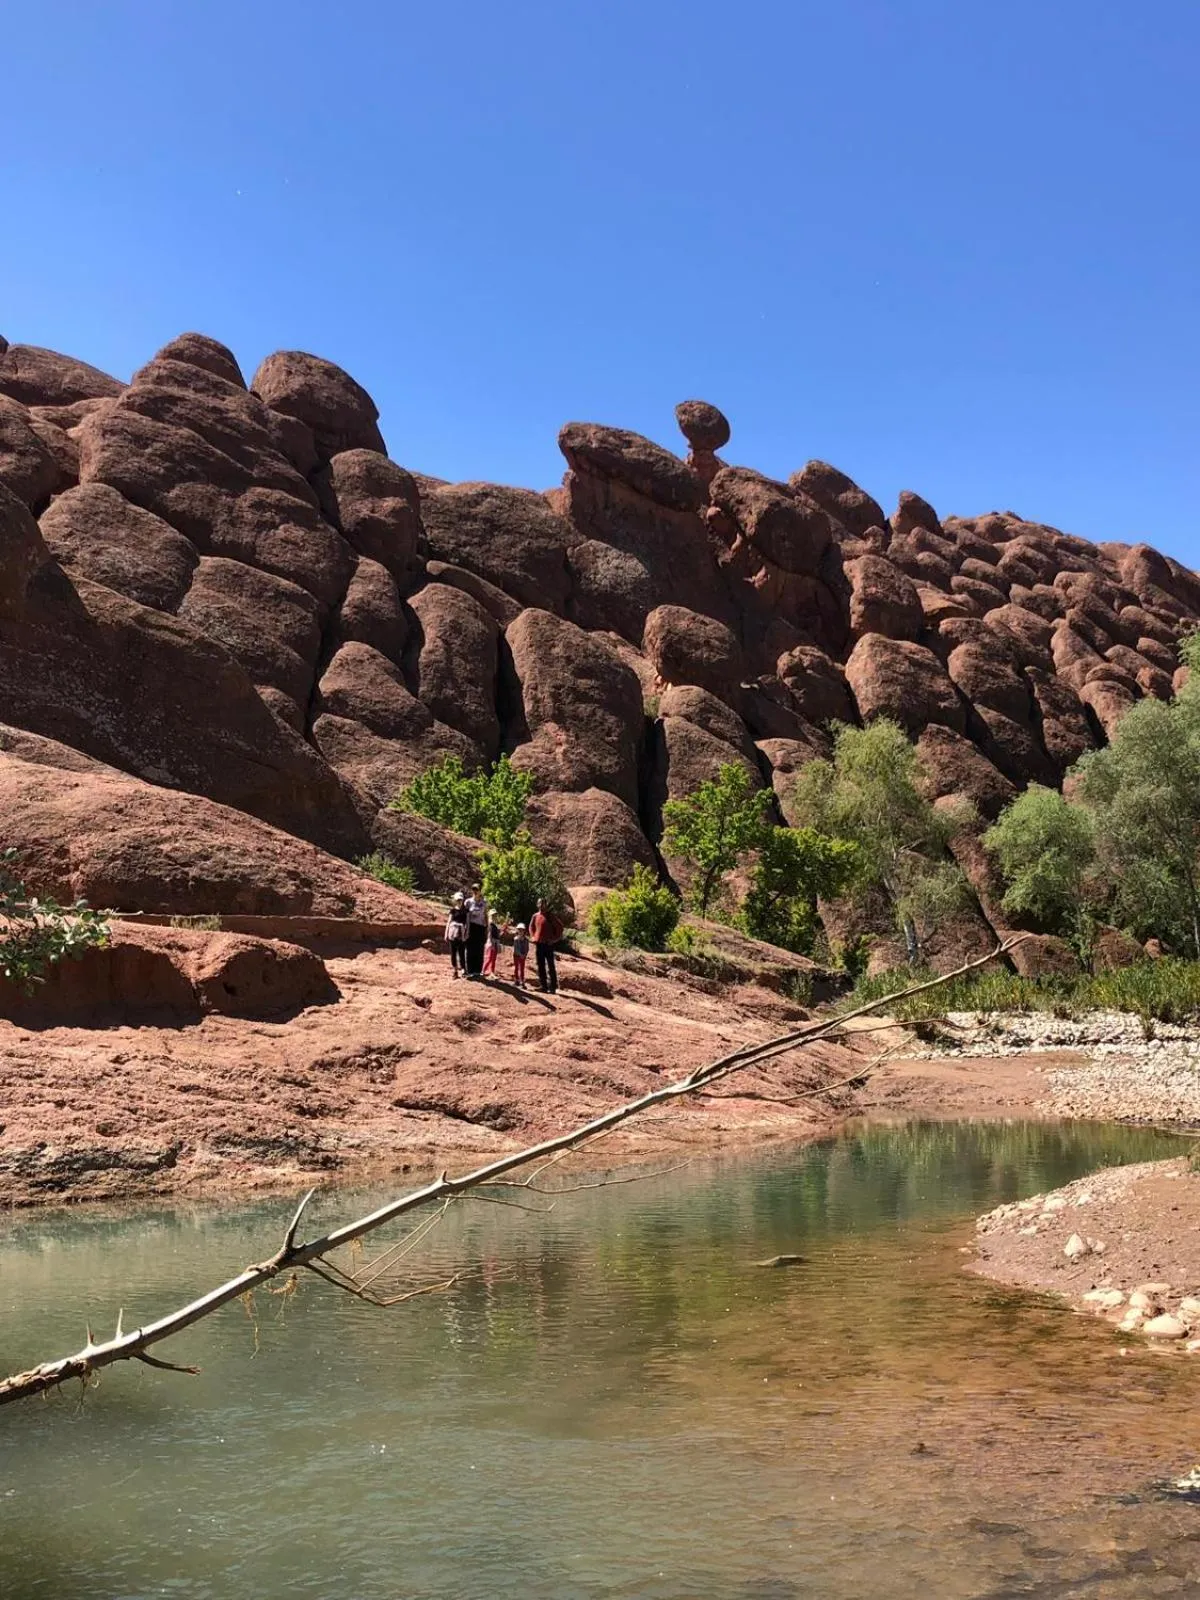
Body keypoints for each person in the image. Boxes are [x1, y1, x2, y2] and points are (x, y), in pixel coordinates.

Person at [529, 897, 563, 994]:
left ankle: (553, 987)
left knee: (551, 966)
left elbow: (560, 928)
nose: (541, 905)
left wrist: (554, 939)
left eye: (543, 903)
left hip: (548, 945)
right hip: (539, 944)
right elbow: (531, 927)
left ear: (546, 905)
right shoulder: (535, 916)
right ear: (537, 904)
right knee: (540, 965)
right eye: (540, 903)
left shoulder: (551, 916)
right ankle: (543, 986)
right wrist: (533, 937)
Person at [464, 883, 488, 978]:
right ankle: (470, 970)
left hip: (481, 927)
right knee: (470, 949)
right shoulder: (468, 902)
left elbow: (485, 915)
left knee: (479, 949)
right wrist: (465, 928)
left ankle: (477, 971)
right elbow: (465, 916)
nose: (474, 891)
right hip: (471, 926)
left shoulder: (484, 903)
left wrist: (487, 928)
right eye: (473, 889)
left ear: (480, 891)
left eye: (476, 889)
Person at [445, 891, 468, 979]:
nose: (459, 901)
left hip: (461, 934)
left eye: (461, 900)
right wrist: (446, 933)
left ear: (463, 900)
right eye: (458, 900)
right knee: (453, 953)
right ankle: (455, 970)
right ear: (455, 900)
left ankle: (463, 970)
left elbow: (468, 923)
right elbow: (449, 922)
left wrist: (466, 934)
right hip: (452, 934)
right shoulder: (453, 910)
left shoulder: (465, 911)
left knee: (462, 953)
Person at [511, 922, 529, 988]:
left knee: (522, 969)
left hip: (523, 956)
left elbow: (527, 948)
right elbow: (516, 948)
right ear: (517, 930)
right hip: (516, 955)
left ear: (524, 931)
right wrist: (521, 954)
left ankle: (522, 982)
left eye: (522, 930)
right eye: (519, 930)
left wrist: (524, 955)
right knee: (516, 968)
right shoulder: (515, 939)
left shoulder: (526, 940)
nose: (521, 931)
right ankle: (517, 981)